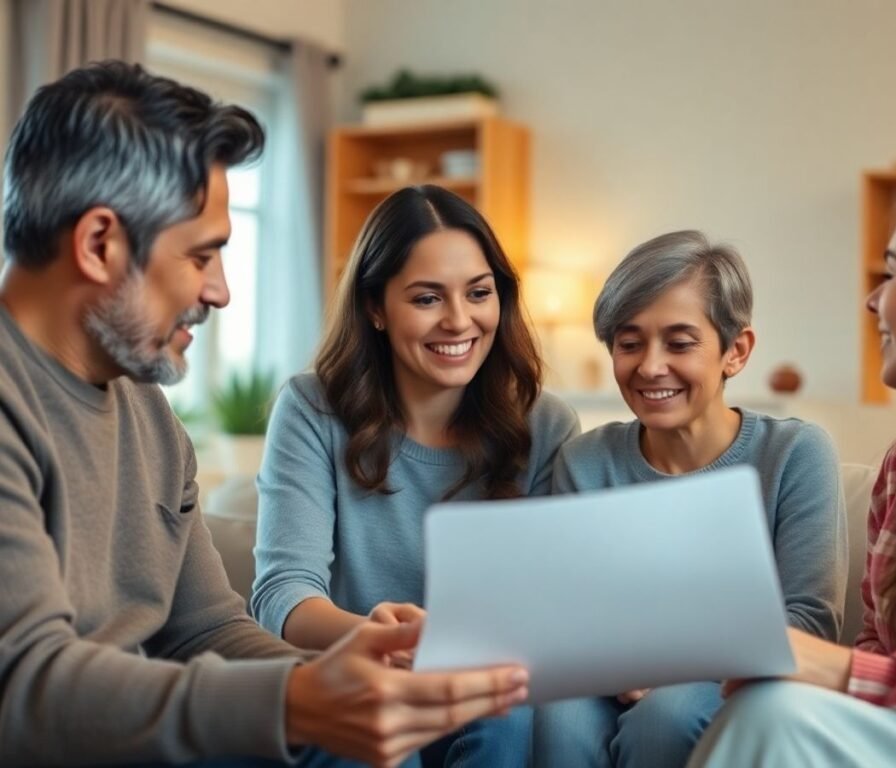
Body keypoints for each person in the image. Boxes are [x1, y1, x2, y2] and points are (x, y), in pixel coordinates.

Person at [0, 61, 529, 768]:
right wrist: (299, 702)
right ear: (99, 244)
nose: (220, 292)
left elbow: (205, 627)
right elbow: (25, 690)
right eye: (202, 255)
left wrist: (334, 677)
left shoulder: (149, 418)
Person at [688, 167, 896, 767]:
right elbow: (877, 643)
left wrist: (835, 669)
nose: (872, 300)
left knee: (777, 720)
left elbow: (859, 665)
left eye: (892, 274)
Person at [251, 185, 580, 767]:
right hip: (366, 678)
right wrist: (378, 638)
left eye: (479, 293)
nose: (459, 321)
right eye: (427, 298)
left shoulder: (547, 424)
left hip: (491, 694)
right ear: (376, 307)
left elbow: (556, 605)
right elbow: (283, 593)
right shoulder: (310, 409)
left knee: (509, 716)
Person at [532, 230, 847, 767]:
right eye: (630, 344)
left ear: (736, 352)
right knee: (555, 715)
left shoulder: (796, 452)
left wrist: (671, 667)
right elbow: (570, 617)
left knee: (668, 715)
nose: (651, 367)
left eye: (679, 343)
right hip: (610, 676)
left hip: (744, 680)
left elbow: (811, 621)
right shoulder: (584, 462)